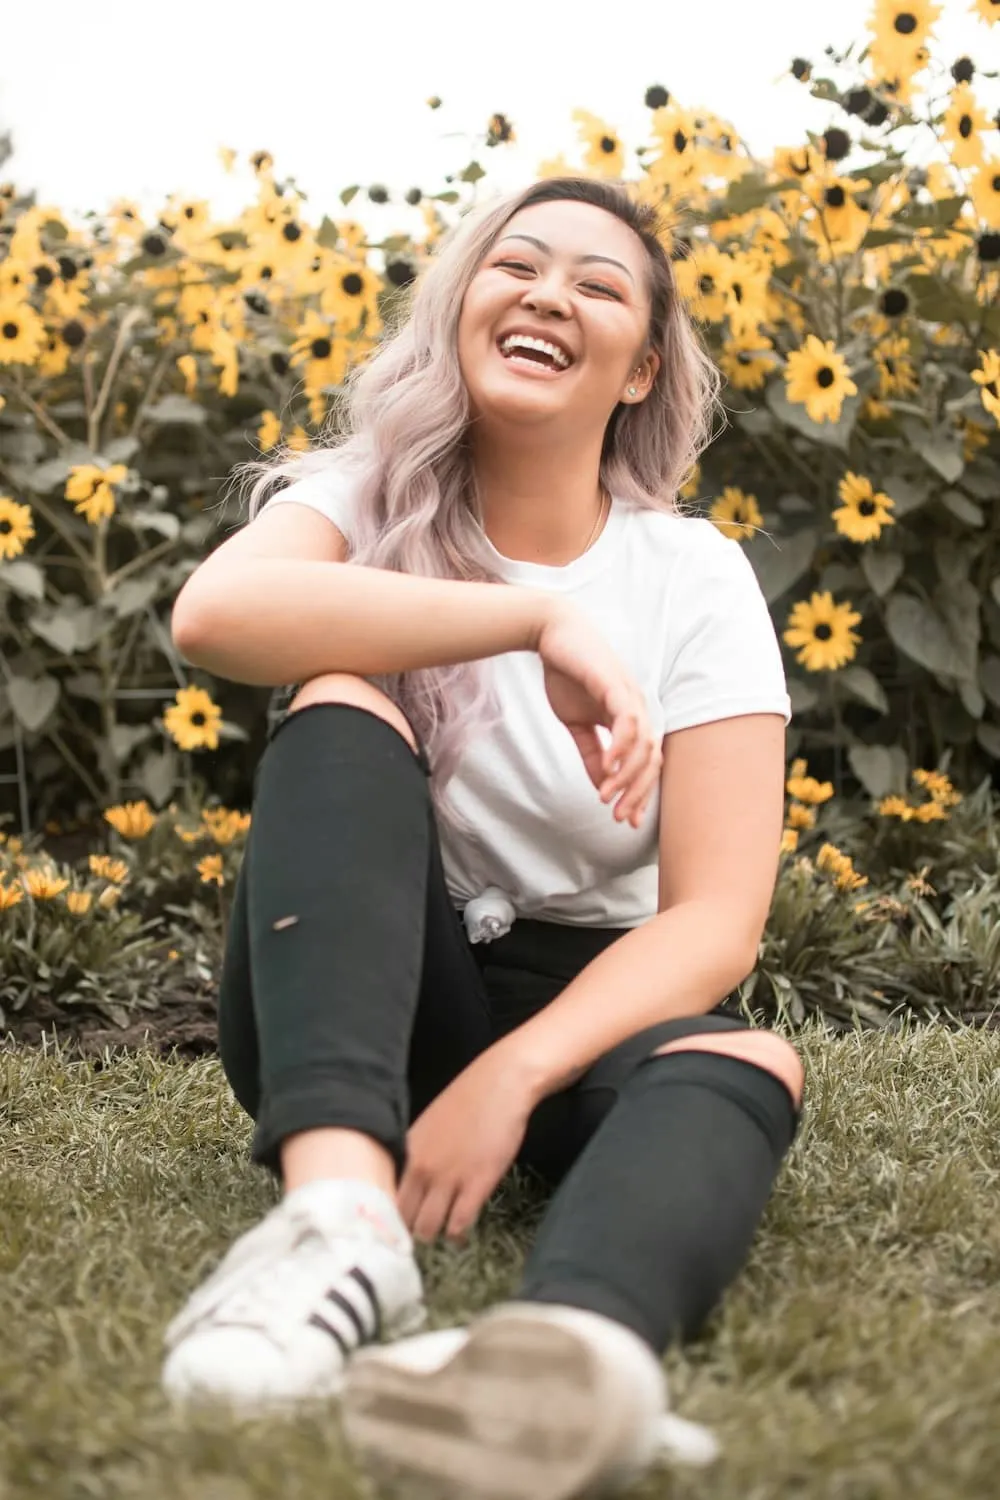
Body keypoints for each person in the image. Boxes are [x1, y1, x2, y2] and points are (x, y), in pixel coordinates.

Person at [162, 175, 801, 1500]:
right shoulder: (353, 494)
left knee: (754, 1056)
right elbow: (216, 619)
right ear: (465, 309)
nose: (550, 293)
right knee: (338, 692)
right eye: (518, 264)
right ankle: (337, 1228)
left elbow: (715, 921)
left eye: (599, 284)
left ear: (636, 370)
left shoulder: (694, 577)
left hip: (590, 1003)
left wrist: (508, 1079)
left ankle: (575, 1350)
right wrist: (529, 621)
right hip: (369, 992)